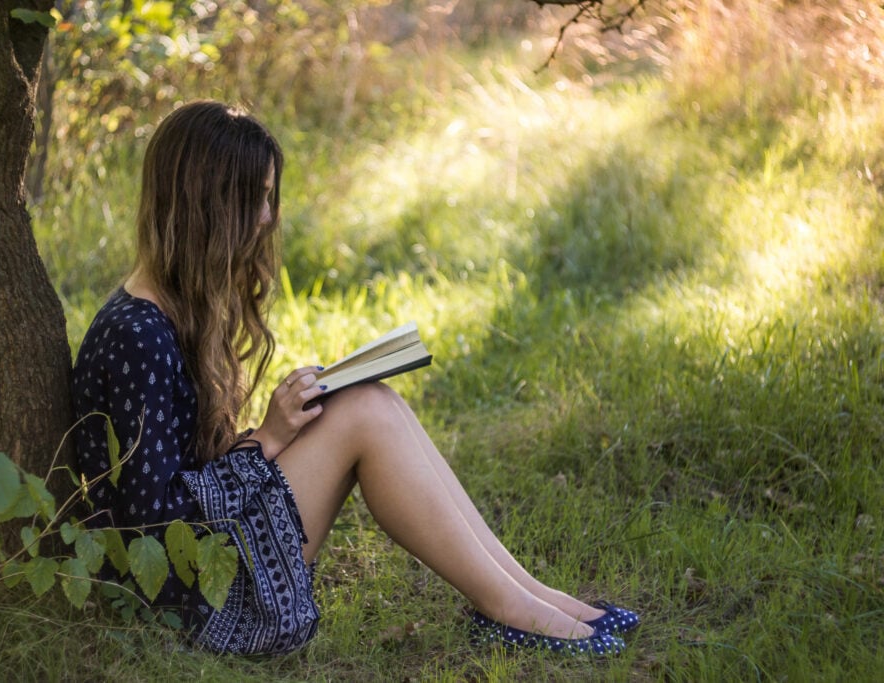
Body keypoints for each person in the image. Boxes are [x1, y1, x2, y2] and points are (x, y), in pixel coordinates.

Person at [71, 100, 639, 657]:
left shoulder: (170, 310)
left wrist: (277, 432)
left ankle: (529, 596)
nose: (268, 218)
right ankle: (514, 611)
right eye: (256, 199)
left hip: (205, 566)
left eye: (270, 197)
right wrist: (268, 439)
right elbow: (152, 520)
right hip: (194, 606)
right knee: (364, 413)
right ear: (206, 205)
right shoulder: (137, 335)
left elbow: (184, 474)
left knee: (373, 399)